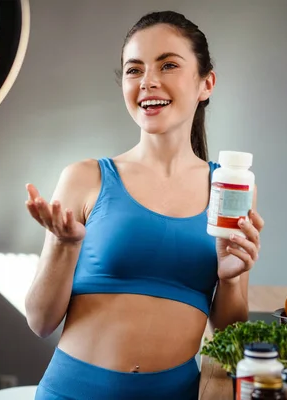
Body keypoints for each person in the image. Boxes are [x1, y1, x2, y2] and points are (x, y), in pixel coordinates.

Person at [24, 10, 264, 400]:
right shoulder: (85, 178)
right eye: (134, 70)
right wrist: (64, 247)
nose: (148, 81)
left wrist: (231, 277)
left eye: (168, 64)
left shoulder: (230, 188)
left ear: (206, 83)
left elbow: (231, 338)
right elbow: (40, 321)